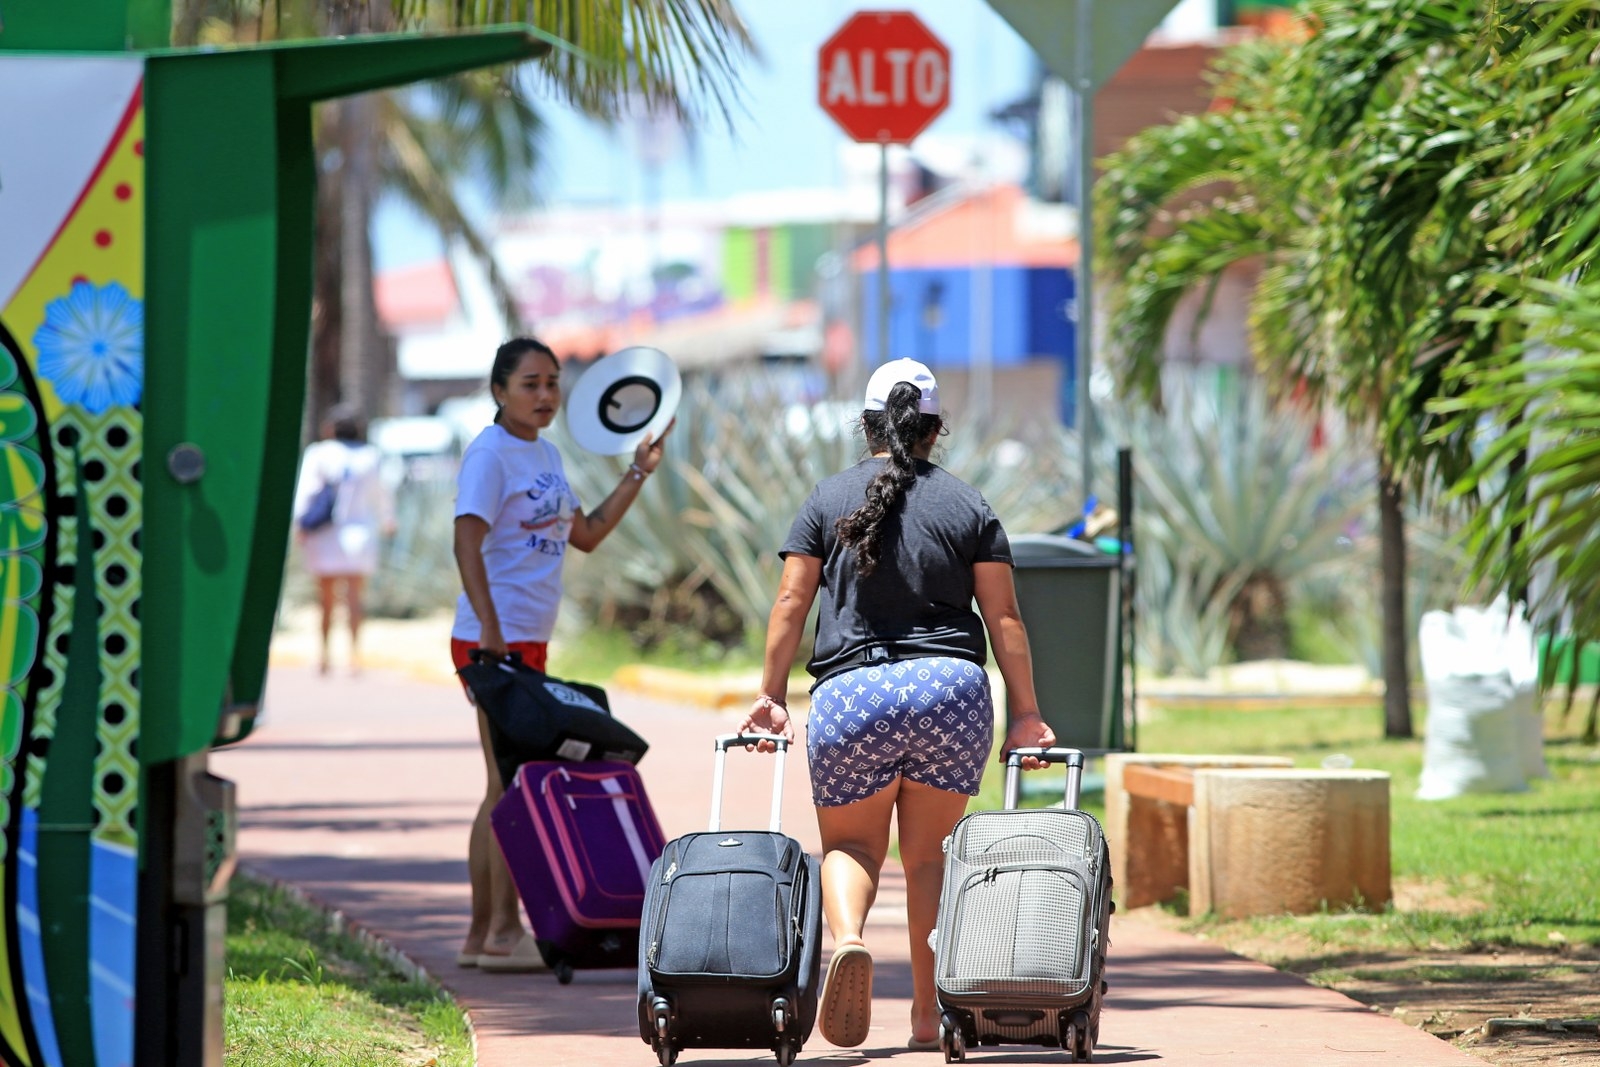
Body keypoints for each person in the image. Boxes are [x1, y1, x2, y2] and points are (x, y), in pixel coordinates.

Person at [737, 358, 1056, 1050]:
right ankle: (926, 1014)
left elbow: (792, 601)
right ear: (936, 429)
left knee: (852, 844)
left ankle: (849, 937)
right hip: (950, 692)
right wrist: (1026, 711)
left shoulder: (827, 498)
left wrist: (770, 694)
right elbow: (1004, 617)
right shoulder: (969, 503)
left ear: (866, 424)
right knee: (930, 858)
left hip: (853, 695)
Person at [450, 336, 671, 973]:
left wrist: (639, 471)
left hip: (525, 641)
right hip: (494, 641)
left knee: (501, 783)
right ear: (499, 391)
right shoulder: (490, 455)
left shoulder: (544, 454)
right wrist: (491, 629)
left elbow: (588, 535)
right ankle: (500, 934)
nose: (545, 395)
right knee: (512, 783)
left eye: (552, 383)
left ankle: (480, 936)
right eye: (530, 384)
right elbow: (466, 544)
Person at [293, 403, 394, 676]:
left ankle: (324, 656)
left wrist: (300, 525)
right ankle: (354, 657)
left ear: (330, 428)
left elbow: (306, 493)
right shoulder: (370, 456)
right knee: (354, 598)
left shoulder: (319, 454)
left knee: (324, 599)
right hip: (359, 535)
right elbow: (382, 494)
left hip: (325, 536)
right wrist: (388, 520)